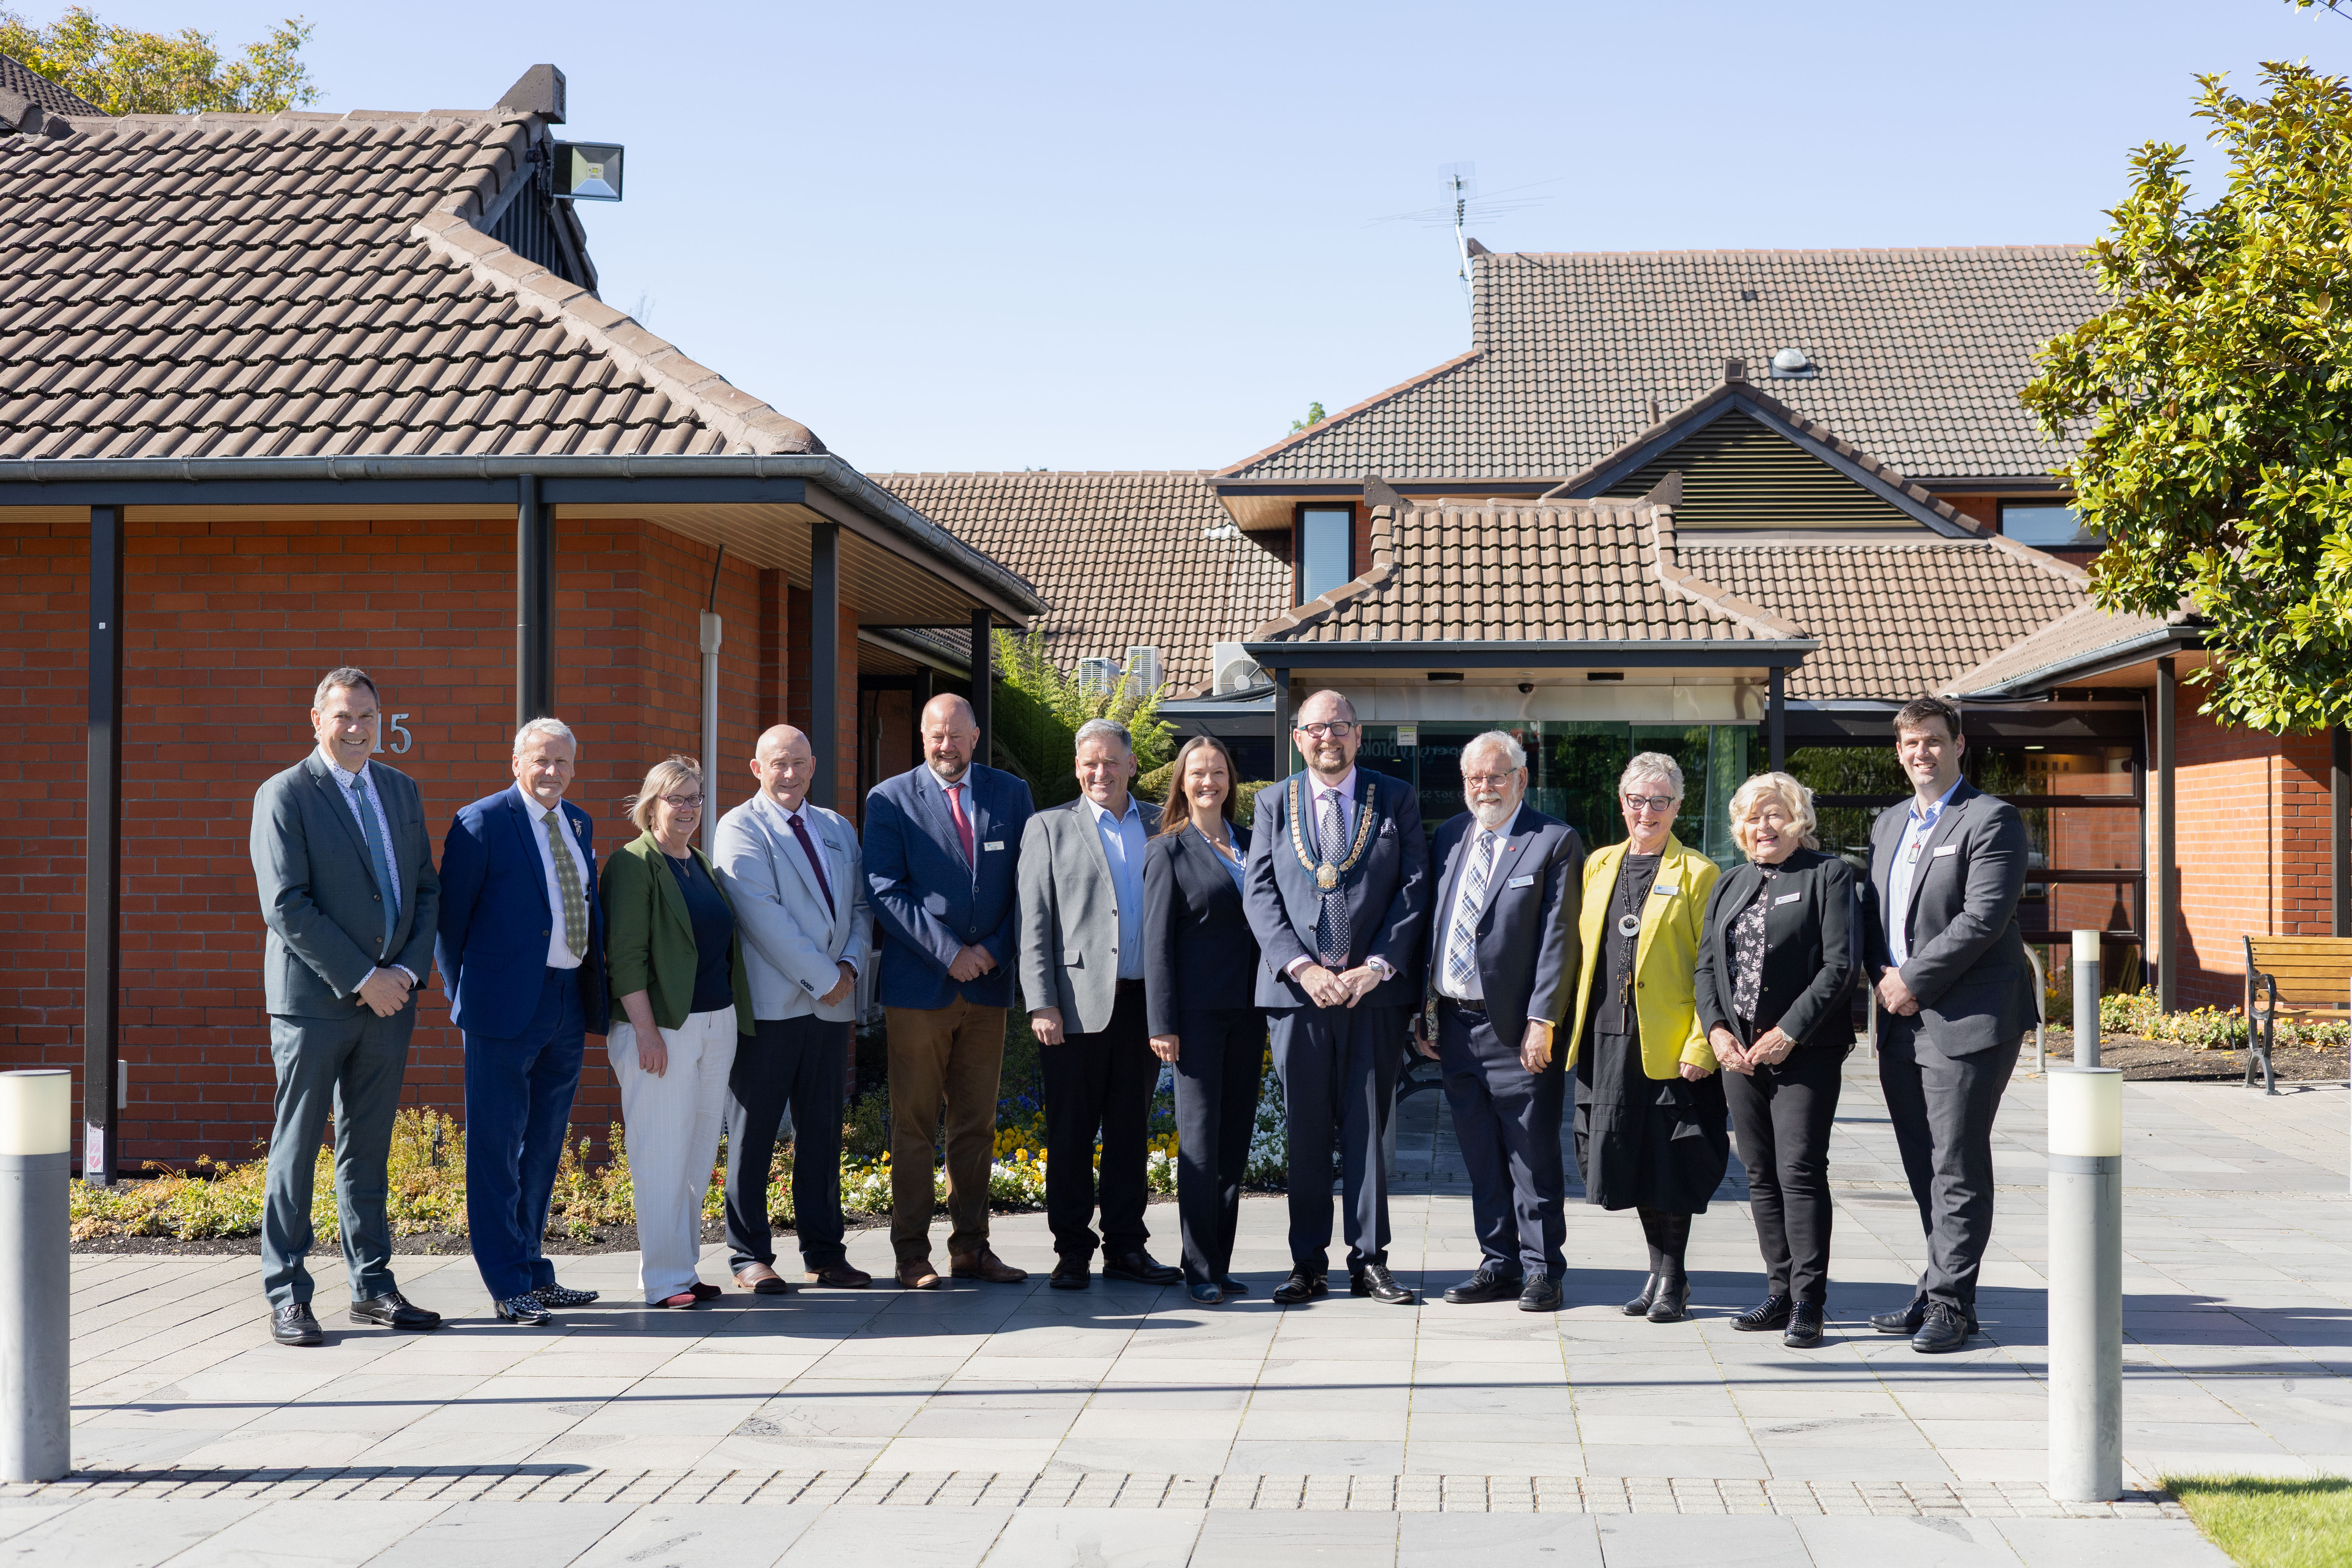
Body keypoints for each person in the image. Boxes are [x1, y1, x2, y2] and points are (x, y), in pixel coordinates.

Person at [247, 667, 444, 1347]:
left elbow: (424, 890)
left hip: (392, 1002)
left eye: (367, 716)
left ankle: (373, 1287)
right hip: (315, 1004)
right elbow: (286, 905)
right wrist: (364, 976)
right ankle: (288, 1293)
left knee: (369, 1149)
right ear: (317, 720)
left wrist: (408, 972)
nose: (357, 729)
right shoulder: (286, 795)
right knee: (297, 1148)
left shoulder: (400, 789)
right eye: (343, 717)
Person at [1243, 689, 1430, 1306]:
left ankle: (1370, 1261)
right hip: (1300, 998)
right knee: (1306, 1131)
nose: (1329, 738)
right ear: (1299, 738)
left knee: (1367, 1130)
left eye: (1340, 727)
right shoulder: (1273, 802)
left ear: (1358, 734)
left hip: (1371, 996)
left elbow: (1413, 888)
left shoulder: (1394, 797)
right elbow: (1261, 894)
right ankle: (1307, 1264)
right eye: (1317, 729)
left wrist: (1376, 967)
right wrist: (1301, 968)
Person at [1865, 696, 2035, 1354]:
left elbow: (1984, 918)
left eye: (1933, 740)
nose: (1920, 753)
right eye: (1910, 743)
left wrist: (1911, 980)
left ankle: (1952, 1307)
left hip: (1968, 1017)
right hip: (1900, 1021)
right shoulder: (1888, 825)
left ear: (1959, 744)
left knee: (1957, 1162)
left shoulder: (1991, 819)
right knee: (1921, 1163)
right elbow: (1876, 919)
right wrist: (1884, 975)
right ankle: (1935, 1287)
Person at [435, 717, 609, 1326]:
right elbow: (449, 926)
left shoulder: (579, 822)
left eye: (563, 762)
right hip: (501, 1012)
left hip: (565, 1003)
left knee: (542, 1148)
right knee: (495, 1148)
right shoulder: (481, 822)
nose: (552, 772)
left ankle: (534, 1269)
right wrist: (471, 1003)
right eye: (541, 760)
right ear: (516, 762)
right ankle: (507, 1283)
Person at [864, 694, 1035, 1290]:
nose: (947, 747)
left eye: (957, 736)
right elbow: (886, 889)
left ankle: (972, 1248)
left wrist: (990, 951)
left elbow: (1028, 886)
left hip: (988, 985)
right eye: (937, 735)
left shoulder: (1011, 795)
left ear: (976, 736)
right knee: (912, 1127)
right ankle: (912, 1253)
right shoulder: (888, 800)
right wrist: (949, 954)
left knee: (976, 1124)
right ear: (922, 735)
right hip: (920, 988)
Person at [1412, 731, 1585, 1313]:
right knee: (1480, 1155)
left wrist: (1543, 1020)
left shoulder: (1553, 841)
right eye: (1474, 778)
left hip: (1518, 1030)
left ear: (1522, 778)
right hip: (1457, 1027)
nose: (1485, 787)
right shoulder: (1450, 837)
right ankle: (1498, 1263)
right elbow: (1432, 929)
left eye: (1496, 776)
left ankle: (1543, 1271)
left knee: (1531, 1155)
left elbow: (1560, 940)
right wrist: (1426, 1011)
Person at [1017, 719, 1182, 1291]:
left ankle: (1127, 1249)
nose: (1100, 772)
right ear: (1078, 765)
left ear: (1132, 765)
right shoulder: (1049, 828)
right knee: (1070, 1134)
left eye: (1111, 761)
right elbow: (1033, 924)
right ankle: (1071, 1252)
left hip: (1143, 1005)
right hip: (1074, 1010)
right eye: (1090, 762)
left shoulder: (1165, 824)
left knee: (1131, 1134)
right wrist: (1042, 1003)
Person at [1694, 772, 1857, 1349]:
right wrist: (1716, 1032)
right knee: (1760, 1176)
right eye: (1753, 817)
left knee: (1800, 1171)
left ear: (1799, 821)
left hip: (1805, 1053)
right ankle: (1779, 1290)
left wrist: (1789, 1032)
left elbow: (1839, 966)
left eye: (1777, 814)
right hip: (1740, 1056)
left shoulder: (1829, 875)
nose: (1765, 826)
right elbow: (1707, 967)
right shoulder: (1730, 883)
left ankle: (1810, 1299)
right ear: (1739, 828)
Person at [1564, 752, 1725, 1324]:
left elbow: (1714, 970)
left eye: (1660, 801)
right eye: (1638, 800)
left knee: (1670, 1160)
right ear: (1622, 802)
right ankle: (1656, 1271)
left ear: (1678, 807)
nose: (1648, 812)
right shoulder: (1600, 865)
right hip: (1608, 1035)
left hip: (1669, 1040)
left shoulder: (1700, 874)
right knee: (1628, 1156)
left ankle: (1675, 1276)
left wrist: (1702, 1044)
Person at [713, 725, 873, 1295]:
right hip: (772, 1007)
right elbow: (761, 915)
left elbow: (859, 905)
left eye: (799, 763)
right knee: (754, 1134)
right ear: (757, 769)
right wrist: (826, 977)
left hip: (831, 1006)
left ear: (813, 767)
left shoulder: (836, 828)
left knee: (824, 1133)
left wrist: (851, 967)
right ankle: (747, 1255)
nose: (789, 774)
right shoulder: (738, 827)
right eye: (777, 764)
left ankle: (826, 1253)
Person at [602, 756, 753, 1308]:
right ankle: (661, 1279)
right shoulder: (633, 865)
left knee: (694, 1157)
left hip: (717, 1023)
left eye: (696, 798)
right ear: (652, 803)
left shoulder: (700, 864)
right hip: (663, 1028)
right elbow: (625, 957)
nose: (688, 809)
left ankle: (683, 1270)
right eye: (677, 798)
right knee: (659, 1155)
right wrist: (646, 1032)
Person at [1144, 736, 1264, 1305]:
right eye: (1198, 773)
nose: (1208, 781)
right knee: (1199, 1143)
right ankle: (1198, 1268)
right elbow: (1157, 944)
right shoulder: (1167, 850)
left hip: (1249, 1014)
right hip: (1194, 1019)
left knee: (1234, 1140)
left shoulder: (1249, 843)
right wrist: (1162, 1023)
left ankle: (1221, 1260)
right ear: (1182, 783)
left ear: (1230, 781)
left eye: (1218, 771)